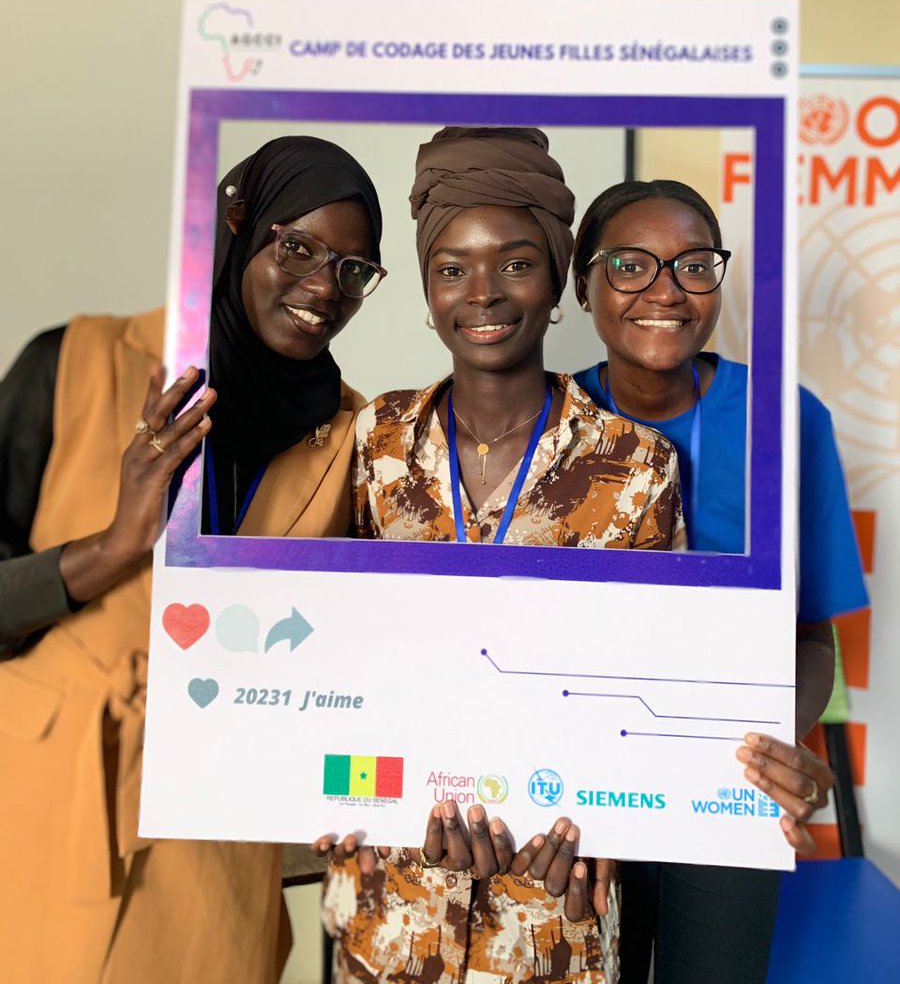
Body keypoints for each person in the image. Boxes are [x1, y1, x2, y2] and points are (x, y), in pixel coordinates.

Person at [0, 135, 385, 983]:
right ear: (241, 230)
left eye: (355, 270)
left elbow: (352, 667)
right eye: (298, 247)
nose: (324, 286)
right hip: (30, 824)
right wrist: (109, 549)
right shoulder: (74, 363)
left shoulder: (355, 439)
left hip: (211, 859)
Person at [317, 127, 688, 984]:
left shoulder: (637, 466)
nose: (482, 292)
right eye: (451, 268)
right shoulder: (372, 440)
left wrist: (613, 832)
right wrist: (322, 790)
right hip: (389, 910)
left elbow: (650, 690)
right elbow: (334, 657)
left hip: (551, 918)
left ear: (558, 278)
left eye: (515, 263)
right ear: (425, 287)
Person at [571, 178, 867, 984]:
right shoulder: (546, 426)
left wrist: (781, 741)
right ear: (582, 283)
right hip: (578, 790)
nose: (665, 291)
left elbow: (812, 638)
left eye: (694, 265)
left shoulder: (787, 419)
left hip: (723, 792)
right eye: (630, 265)